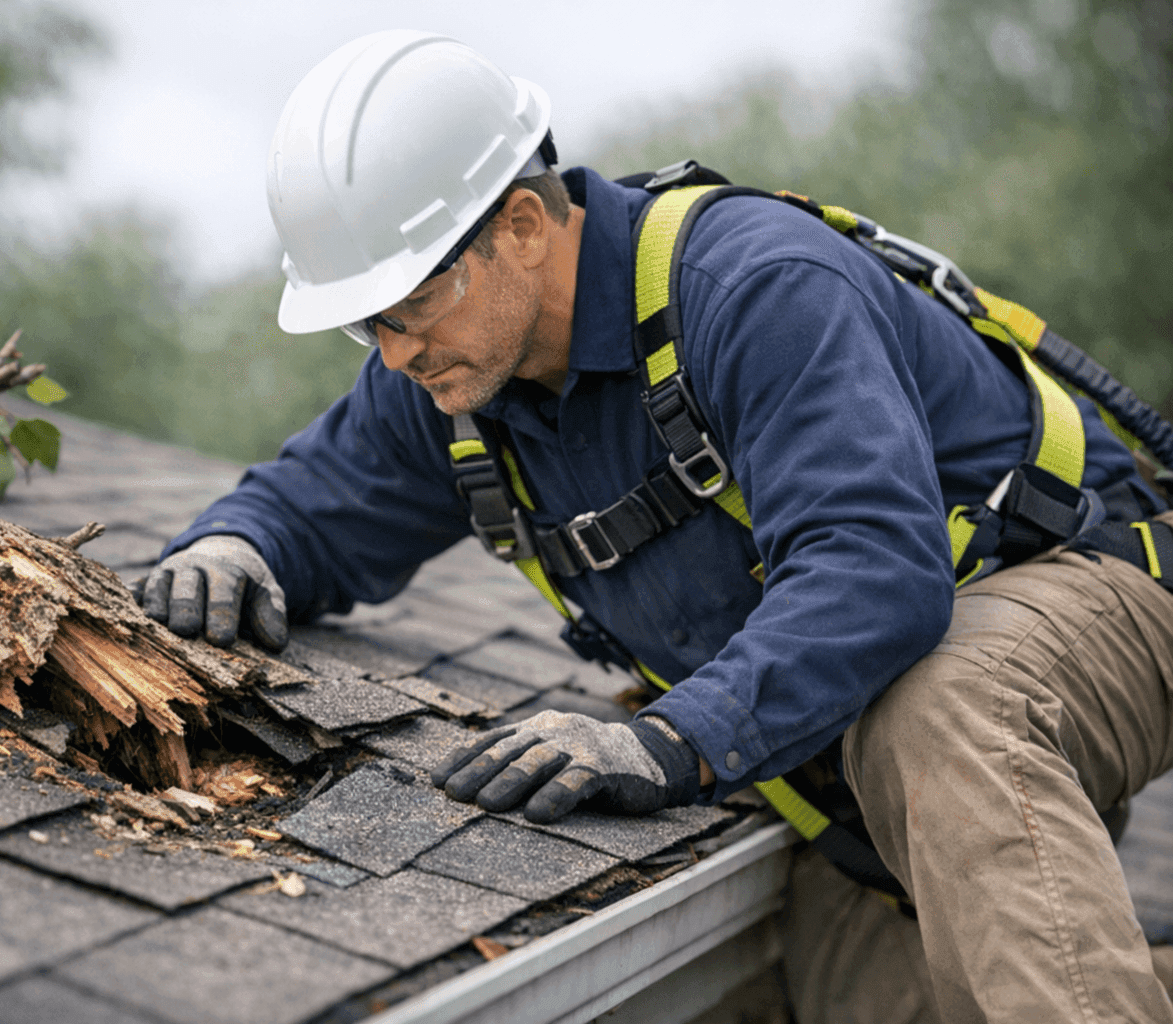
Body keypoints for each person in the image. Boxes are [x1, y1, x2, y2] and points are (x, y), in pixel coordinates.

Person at [140, 30, 1173, 1024]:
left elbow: (875, 570)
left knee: (944, 708)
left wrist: (671, 738)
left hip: (1089, 598)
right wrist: (234, 544)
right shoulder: (449, 371)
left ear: (524, 229)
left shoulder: (753, 287)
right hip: (859, 762)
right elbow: (311, 503)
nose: (394, 352)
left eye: (408, 305)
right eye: (367, 324)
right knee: (846, 982)